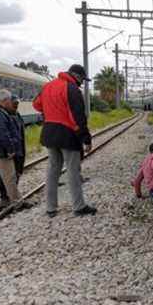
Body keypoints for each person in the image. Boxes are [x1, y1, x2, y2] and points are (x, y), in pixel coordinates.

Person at [33, 64, 95, 217]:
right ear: (77, 76)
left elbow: (36, 104)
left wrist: (51, 112)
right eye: (82, 79)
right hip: (67, 134)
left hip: (49, 132)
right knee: (73, 171)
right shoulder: (72, 89)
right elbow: (79, 117)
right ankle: (78, 207)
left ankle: (51, 208)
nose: (81, 82)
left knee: (53, 171)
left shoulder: (47, 86)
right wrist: (86, 138)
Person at [9, 95, 26, 182]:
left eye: (17, 103)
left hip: (19, 151)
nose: (16, 105)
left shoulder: (18, 115)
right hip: (12, 152)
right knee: (9, 177)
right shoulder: (6, 116)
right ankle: (6, 195)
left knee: (17, 174)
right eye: (14, 103)